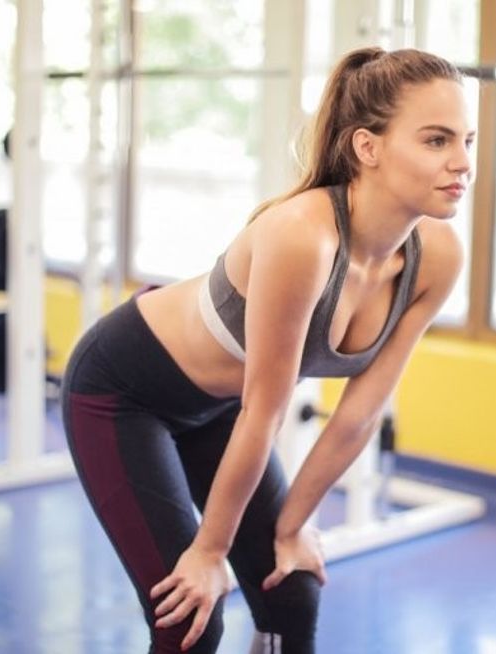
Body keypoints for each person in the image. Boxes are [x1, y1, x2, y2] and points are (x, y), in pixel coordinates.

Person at [61, 46, 474, 654]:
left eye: (467, 140)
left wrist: (291, 527)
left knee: (293, 588)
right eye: (437, 140)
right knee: (190, 620)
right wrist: (209, 552)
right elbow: (266, 410)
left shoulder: (436, 256)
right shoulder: (302, 236)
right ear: (368, 147)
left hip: (222, 410)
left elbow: (357, 416)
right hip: (125, 389)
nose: (462, 162)